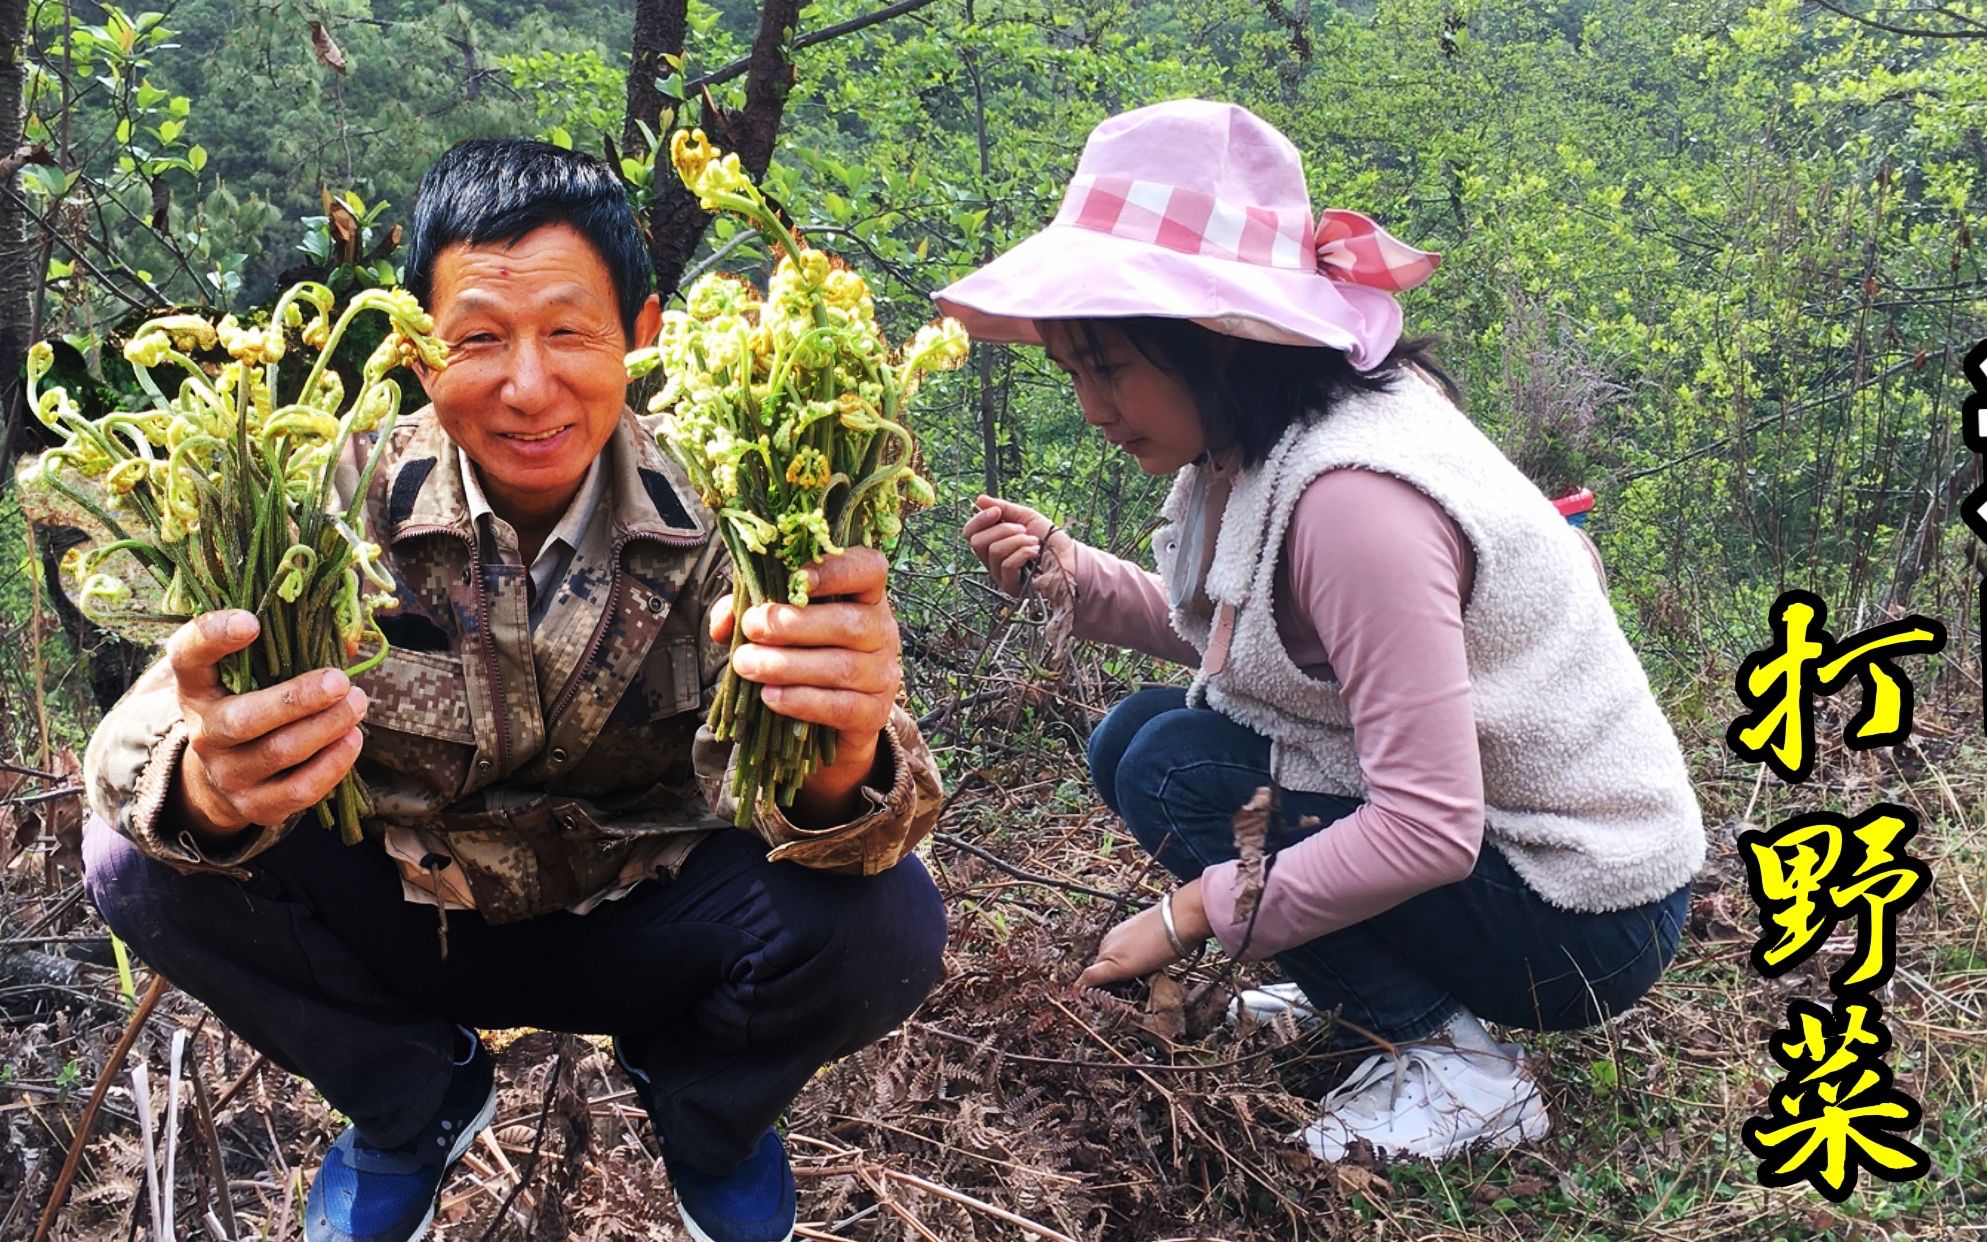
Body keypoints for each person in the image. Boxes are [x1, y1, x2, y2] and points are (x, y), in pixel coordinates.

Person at [80, 139, 947, 1242]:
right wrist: (206, 776)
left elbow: (882, 815)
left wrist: (841, 762)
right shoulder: (323, 499)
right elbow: (135, 744)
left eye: (571, 333)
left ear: (642, 337)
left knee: (885, 921)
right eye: (479, 337)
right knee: (140, 860)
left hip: (655, 926)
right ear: (418, 346)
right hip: (415, 922)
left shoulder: (746, 494)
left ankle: (705, 1110)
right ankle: (412, 1101)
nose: (527, 387)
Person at [941, 100, 1703, 1162]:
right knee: (1138, 740)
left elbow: (1427, 828)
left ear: (1212, 340)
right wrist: (1075, 576)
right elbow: (1259, 649)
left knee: (1172, 766)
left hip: (1579, 907)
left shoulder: (1353, 498)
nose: (1089, 406)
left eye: (1107, 366)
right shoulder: (1262, 446)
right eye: (1070, 369)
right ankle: (1370, 989)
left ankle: (1453, 1066)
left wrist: (1189, 915)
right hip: (1505, 856)